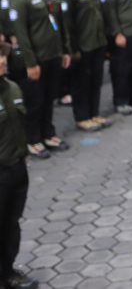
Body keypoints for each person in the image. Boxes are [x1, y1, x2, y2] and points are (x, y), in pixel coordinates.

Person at [10, 0, 71, 160]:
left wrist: (65, 51)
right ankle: (33, 140)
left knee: (49, 98)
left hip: (54, 56)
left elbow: (61, 27)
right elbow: (22, 35)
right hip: (36, 60)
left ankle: (48, 134)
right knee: (35, 102)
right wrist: (31, 63)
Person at [0, 40, 39, 289]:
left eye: (2, 55)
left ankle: (7, 271)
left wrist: (23, 154)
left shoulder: (12, 88)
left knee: (11, 223)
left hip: (16, 167)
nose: (3, 60)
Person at [61, 0, 111, 132]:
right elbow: (67, 24)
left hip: (97, 41)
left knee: (95, 80)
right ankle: (82, 117)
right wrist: (73, 48)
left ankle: (93, 113)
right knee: (81, 82)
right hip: (82, 46)